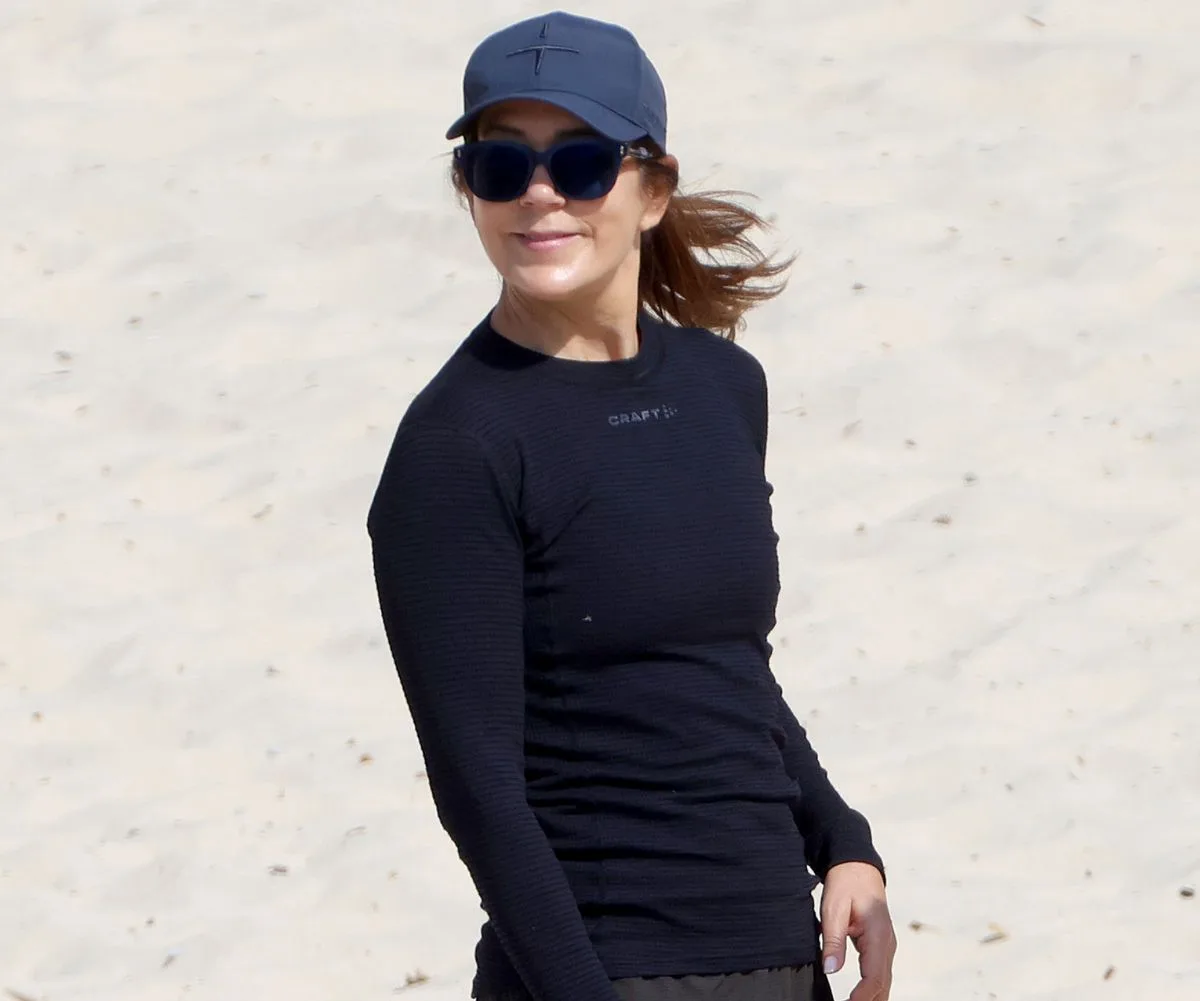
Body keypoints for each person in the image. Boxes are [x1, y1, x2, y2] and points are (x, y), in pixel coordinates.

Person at [367, 11, 897, 1001]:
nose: (538, 195)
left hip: (785, 952)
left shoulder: (721, 387)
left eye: (579, 162)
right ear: (466, 188)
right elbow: (477, 787)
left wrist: (844, 842)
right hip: (606, 968)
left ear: (653, 188)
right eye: (498, 166)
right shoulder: (458, 444)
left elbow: (724, 668)